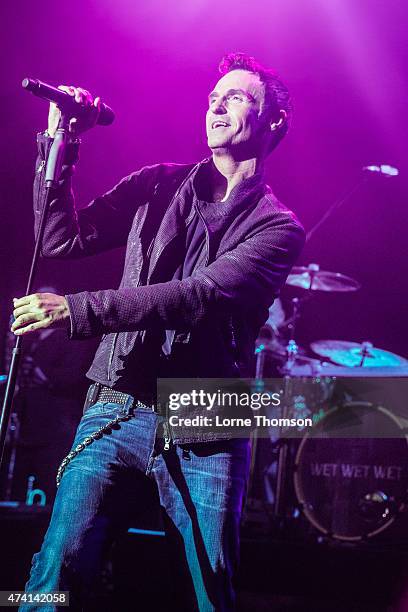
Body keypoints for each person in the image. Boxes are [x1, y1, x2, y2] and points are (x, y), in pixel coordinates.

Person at [12, 53, 305, 611]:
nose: (217, 104)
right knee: (53, 576)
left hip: (209, 413)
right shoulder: (156, 185)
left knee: (209, 592)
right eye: (214, 95)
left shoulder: (278, 228)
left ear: (275, 123)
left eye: (237, 96)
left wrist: (76, 309)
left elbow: (197, 297)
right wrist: (61, 143)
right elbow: (58, 241)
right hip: (119, 399)